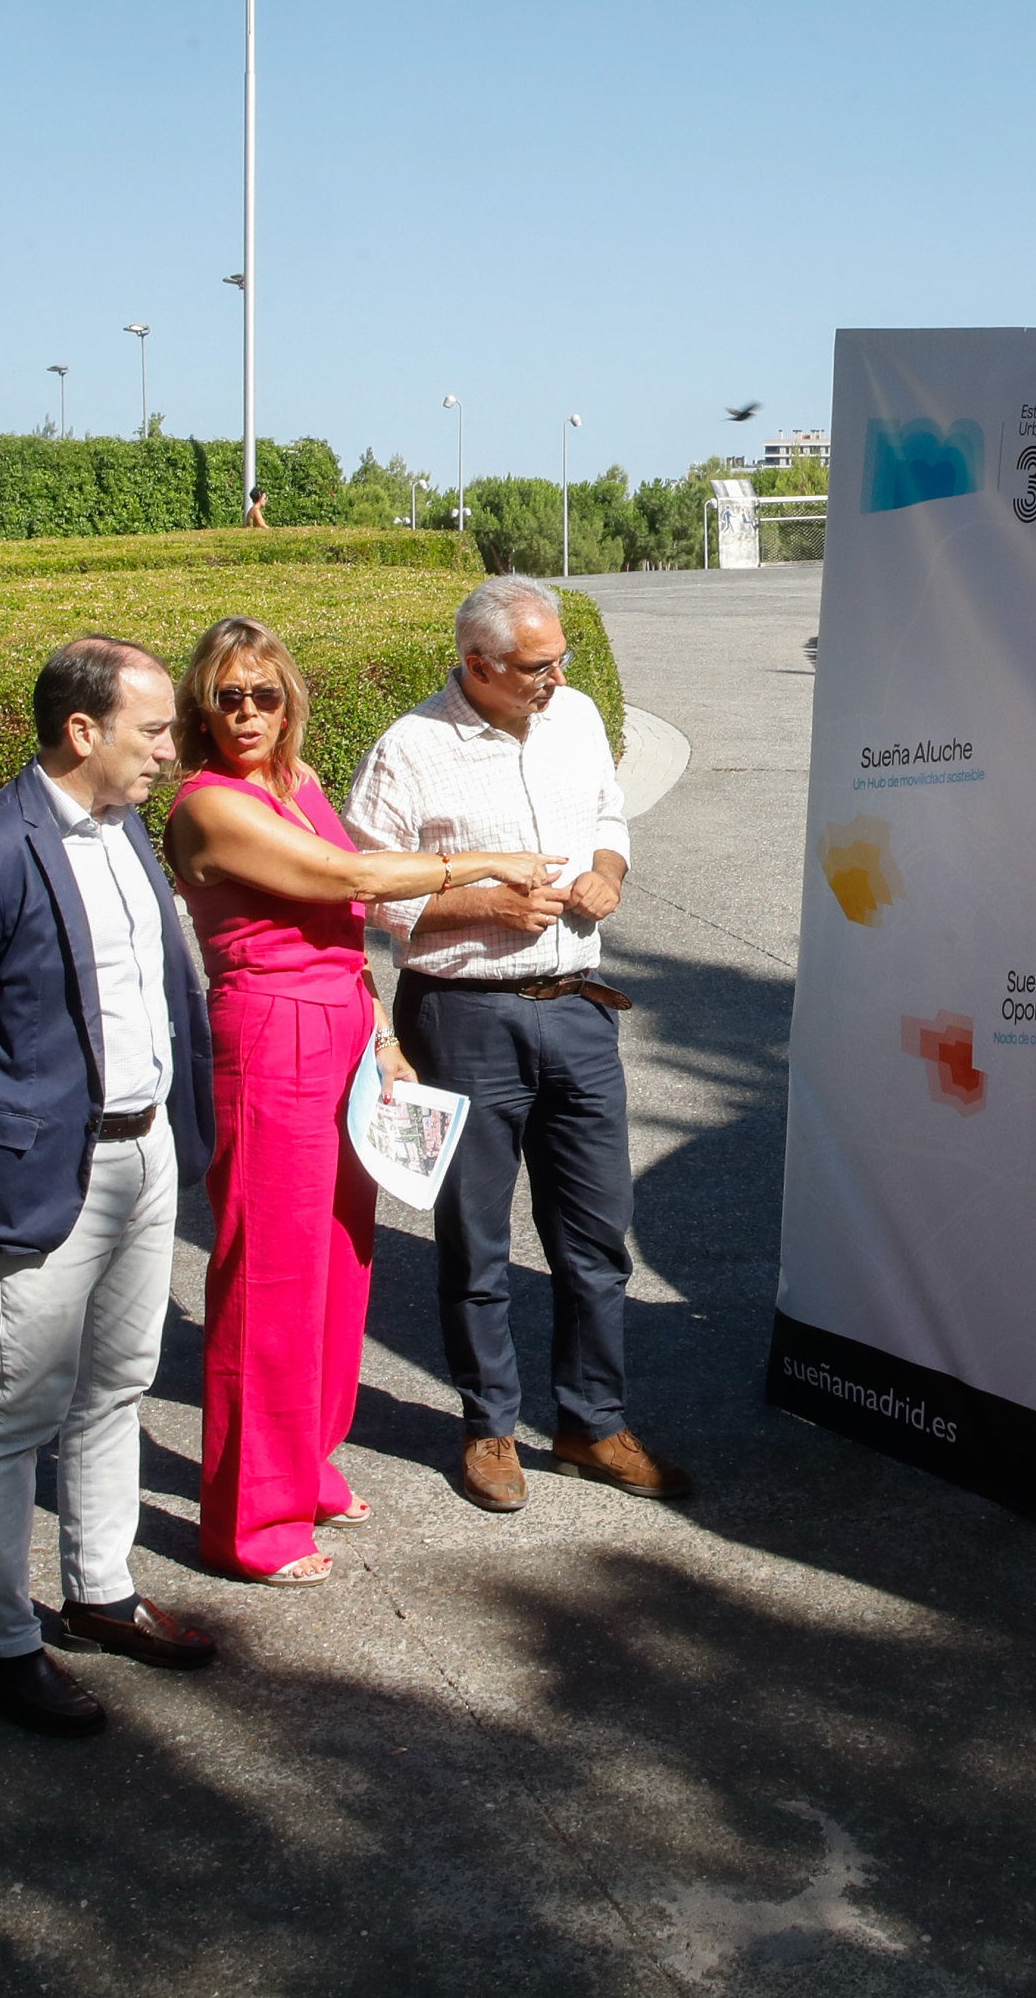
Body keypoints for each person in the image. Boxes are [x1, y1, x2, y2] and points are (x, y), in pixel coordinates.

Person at [162, 618, 553, 1582]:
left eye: (264, 695)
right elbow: (354, 878)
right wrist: (482, 861)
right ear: (201, 708)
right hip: (267, 1032)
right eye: (226, 697)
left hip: (341, 1026)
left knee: (339, 1266)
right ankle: (252, 1521)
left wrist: (382, 1036)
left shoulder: (294, 783)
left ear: (288, 702)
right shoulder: (209, 806)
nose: (246, 714)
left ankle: (306, 1467)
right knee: (267, 1282)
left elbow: (343, 928)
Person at [0, 635, 226, 1737]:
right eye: (153, 730)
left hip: (147, 1151)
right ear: (83, 730)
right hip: (46, 1170)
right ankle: (2, 1646)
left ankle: (100, 1592)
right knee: (15, 1409)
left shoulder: (125, 829)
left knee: (120, 1379)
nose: (171, 750)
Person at [346, 575, 692, 1512]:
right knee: (476, 1238)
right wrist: (481, 905)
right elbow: (367, 888)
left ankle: (592, 1423)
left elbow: (609, 817)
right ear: (478, 664)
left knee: (595, 1235)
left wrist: (609, 874)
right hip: (464, 1018)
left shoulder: (574, 716)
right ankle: (489, 1428)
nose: (558, 678)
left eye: (561, 658)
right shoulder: (410, 749)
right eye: (539, 666)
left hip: (579, 1008)